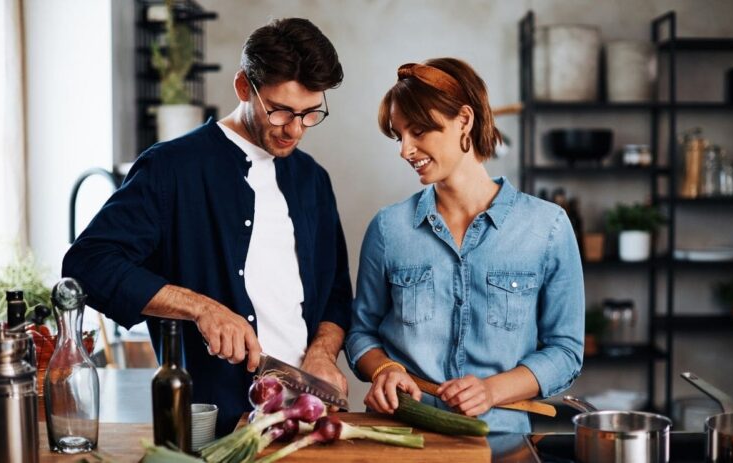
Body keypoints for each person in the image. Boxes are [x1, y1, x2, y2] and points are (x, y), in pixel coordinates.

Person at [63, 18, 352, 435]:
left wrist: (323, 353)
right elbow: (88, 264)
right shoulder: (171, 168)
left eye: (310, 114)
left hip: (305, 419)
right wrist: (202, 308)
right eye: (281, 111)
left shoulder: (313, 180)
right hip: (213, 427)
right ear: (242, 87)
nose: (294, 129)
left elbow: (336, 295)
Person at [346, 58, 584, 433]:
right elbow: (360, 332)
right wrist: (386, 369)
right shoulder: (389, 229)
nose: (405, 150)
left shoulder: (547, 227)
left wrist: (492, 390)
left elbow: (566, 352)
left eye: (419, 131)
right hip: (402, 437)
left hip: (500, 444)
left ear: (465, 121)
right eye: (399, 135)